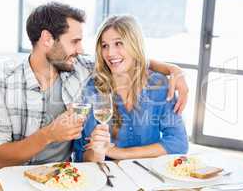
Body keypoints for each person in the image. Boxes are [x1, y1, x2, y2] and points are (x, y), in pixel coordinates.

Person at [0, 2, 188, 169]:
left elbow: (127, 60)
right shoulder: (0, 84)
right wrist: (48, 134)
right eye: (75, 41)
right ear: (47, 39)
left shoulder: (79, 67)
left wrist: (172, 70)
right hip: (14, 177)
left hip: (65, 175)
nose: (81, 49)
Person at [74, 15, 188, 162]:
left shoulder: (159, 85)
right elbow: (82, 156)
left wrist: (119, 153)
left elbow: (178, 144)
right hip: (108, 176)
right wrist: (98, 152)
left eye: (118, 43)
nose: (110, 53)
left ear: (134, 45)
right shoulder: (93, 89)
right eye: (105, 46)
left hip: (148, 176)